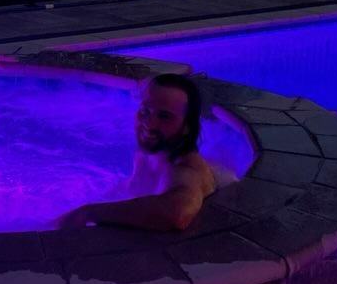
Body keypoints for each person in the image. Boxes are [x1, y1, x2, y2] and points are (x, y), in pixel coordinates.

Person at [55, 73, 219, 233]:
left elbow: (178, 213)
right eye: (145, 111)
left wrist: (88, 213)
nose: (149, 124)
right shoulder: (155, 151)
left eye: (164, 116)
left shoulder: (185, 170)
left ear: (187, 127)